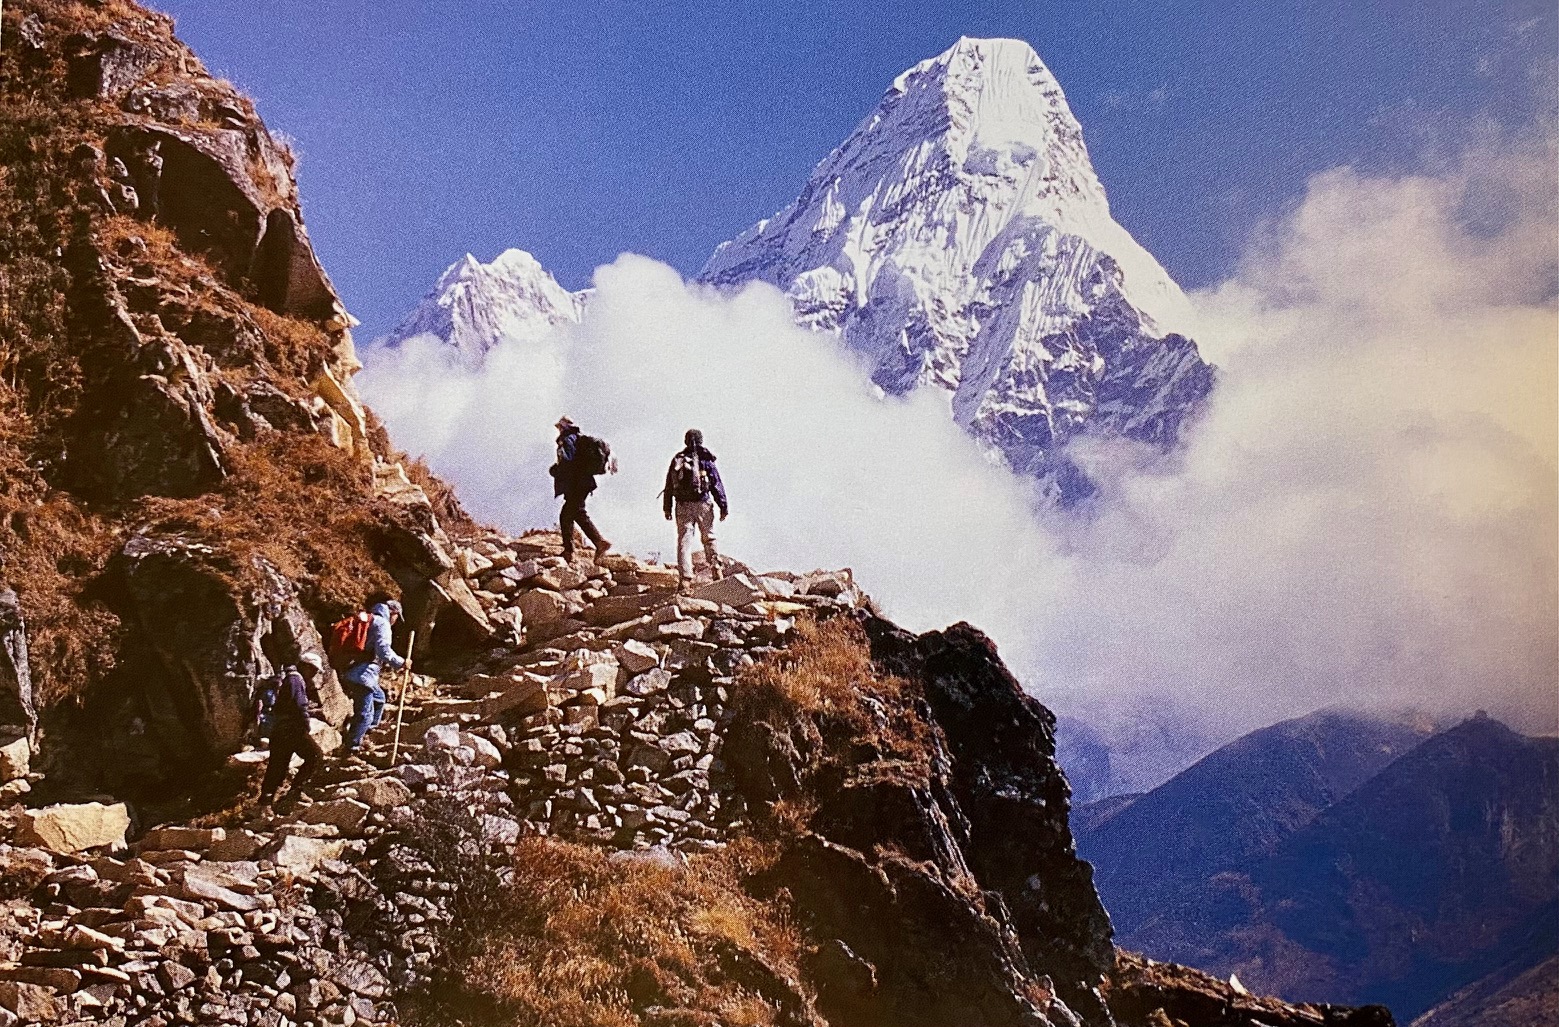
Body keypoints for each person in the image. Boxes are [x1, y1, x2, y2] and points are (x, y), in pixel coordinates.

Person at [339, 597, 408, 756]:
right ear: (393, 613)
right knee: (365, 715)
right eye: (397, 617)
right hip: (363, 675)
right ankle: (351, 749)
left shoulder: (369, 619)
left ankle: (365, 733)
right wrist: (402, 662)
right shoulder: (382, 624)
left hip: (353, 670)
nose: (395, 621)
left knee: (379, 699)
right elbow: (384, 651)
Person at [258, 652, 326, 810]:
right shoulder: (296, 679)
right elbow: (299, 705)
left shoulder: (287, 677)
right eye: (313, 669)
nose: (314, 674)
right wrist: (306, 724)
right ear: (305, 666)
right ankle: (295, 792)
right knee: (315, 756)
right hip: (293, 728)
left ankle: (264, 802)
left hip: (278, 728)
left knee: (277, 766)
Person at [663, 428, 728, 588]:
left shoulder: (678, 460)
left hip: (682, 505)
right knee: (709, 537)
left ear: (685, 441)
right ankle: (716, 570)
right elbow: (716, 484)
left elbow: (669, 485)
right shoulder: (706, 459)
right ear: (701, 440)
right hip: (703, 503)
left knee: (684, 541)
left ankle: (685, 578)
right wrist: (723, 506)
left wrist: (667, 507)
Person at [549, 415, 612, 563]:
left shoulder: (566, 439)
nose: (559, 430)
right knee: (576, 513)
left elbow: (567, 461)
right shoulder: (579, 439)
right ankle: (596, 543)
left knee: (566, 515)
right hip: (584, 483)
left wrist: (555, 470)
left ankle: (572, 550)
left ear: (563, 427)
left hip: (576, 484)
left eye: (559, 427)